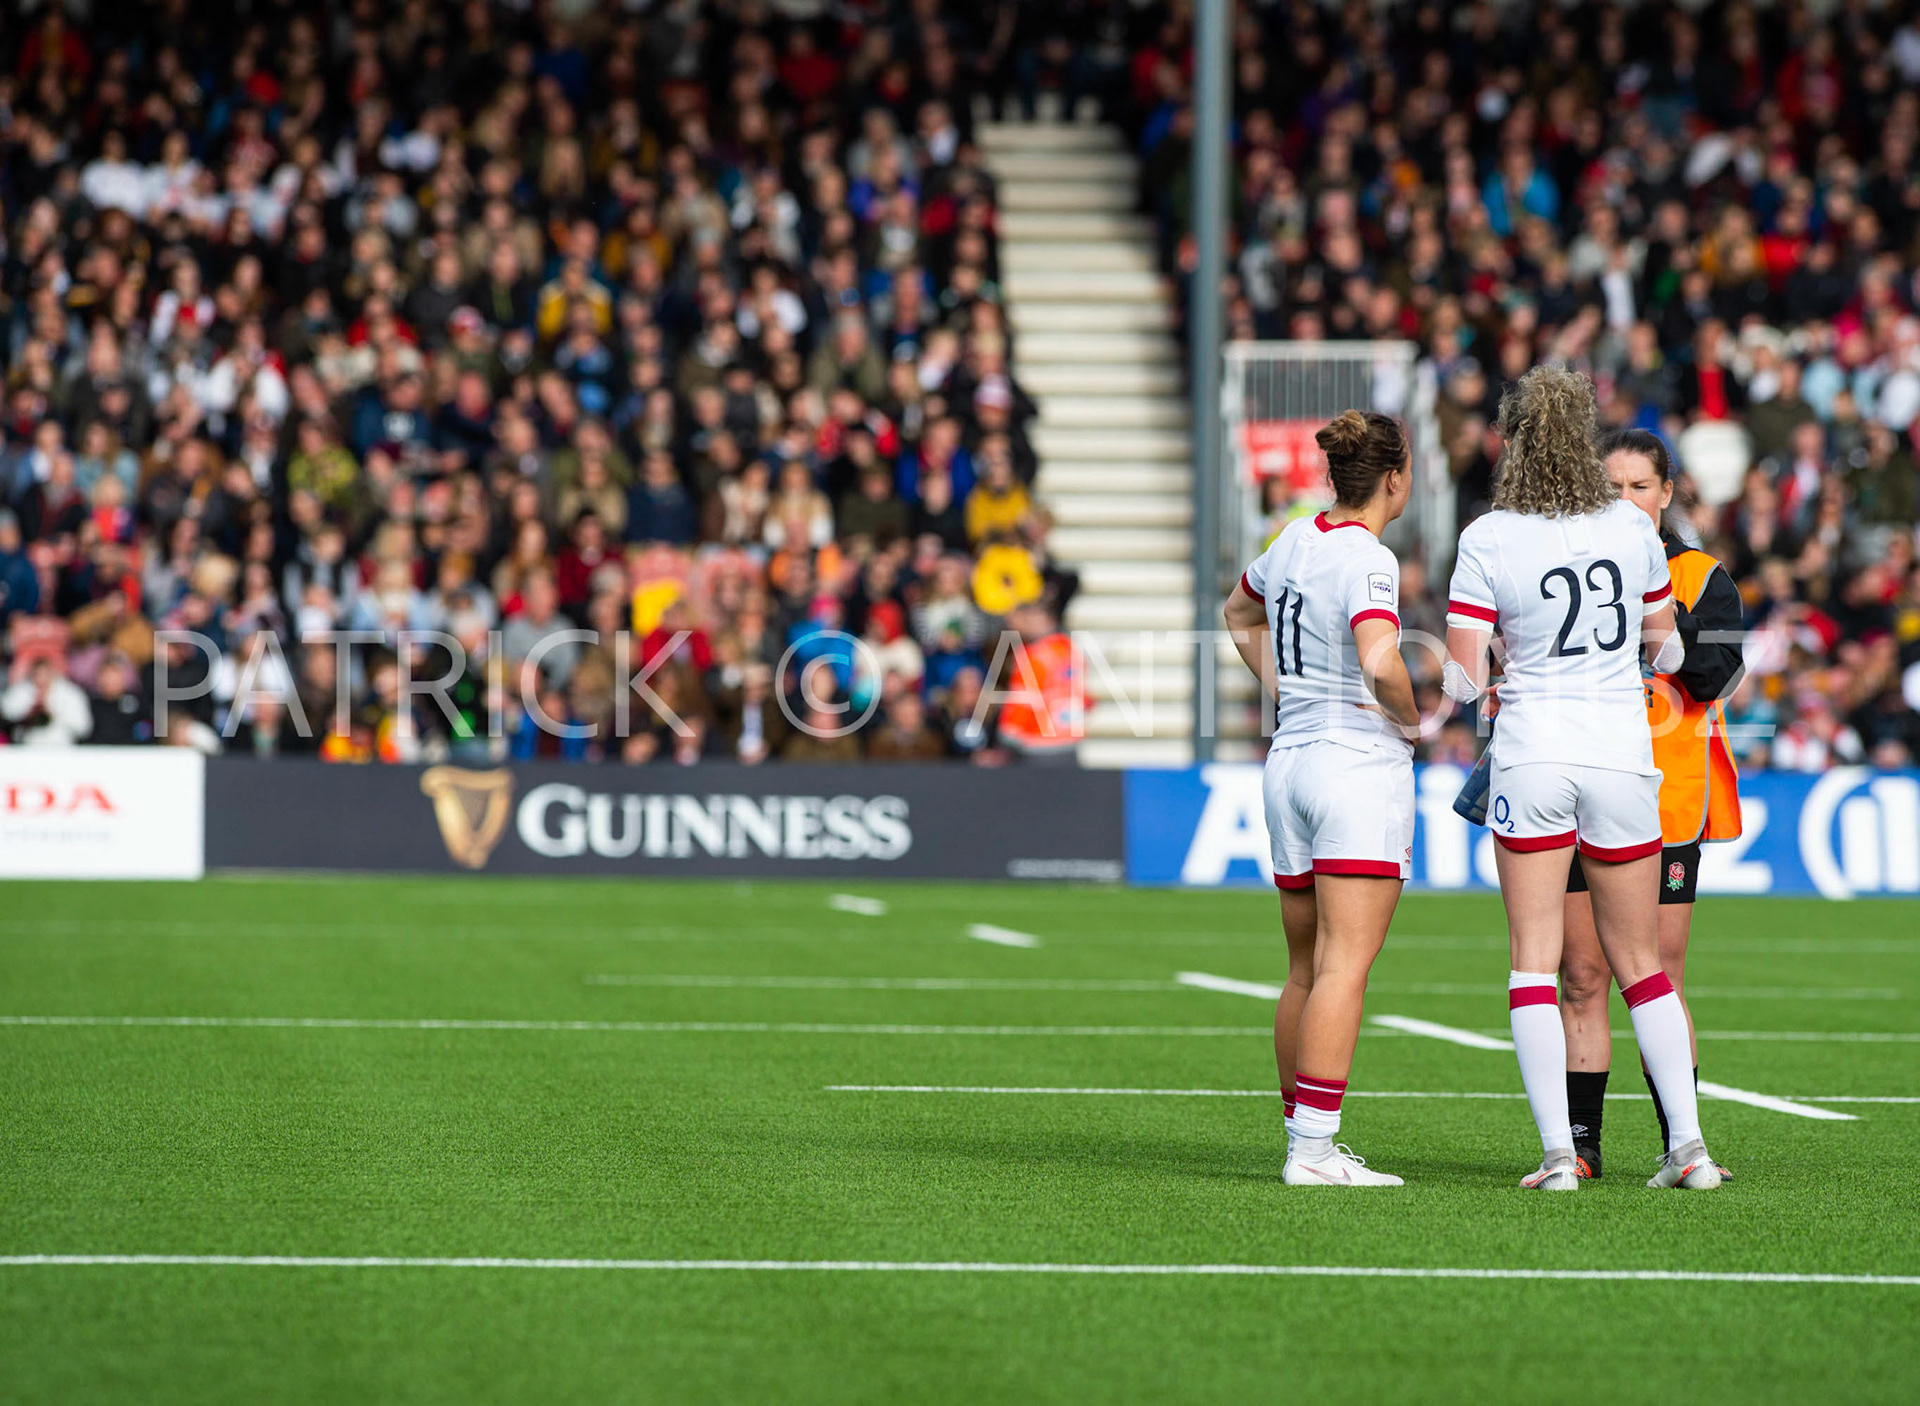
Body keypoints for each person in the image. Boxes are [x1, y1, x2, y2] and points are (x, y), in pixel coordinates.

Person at [1444, 366, 1721, 1192]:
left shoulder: (1488, 536)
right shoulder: (1631, 530)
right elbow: (1667, 650)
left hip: (1532, 751)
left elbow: (1460, 682)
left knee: (1535, 963)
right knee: (1642, 964)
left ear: (1512, 439)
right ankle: (1690, 1152)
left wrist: (1494, 662)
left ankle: (1561, 1155)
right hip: (1621, 753)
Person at [1221, 409, 1419, 1187]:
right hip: (1353, 763)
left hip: (1291, 759)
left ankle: (1301, 1135)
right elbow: (1380, 659)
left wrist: (1284, 692)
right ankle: (1312, 1151)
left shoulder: (1294, 537)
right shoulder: (1371, 559)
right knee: (1345, 967)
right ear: (1395, 478)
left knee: (1304, 967)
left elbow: (1238, 614)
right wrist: (1416, 720)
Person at [1560, 429, 1744, 1180]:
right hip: (1578, 787)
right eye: (1613, 487)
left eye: (1640, 487)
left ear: (1667, 494)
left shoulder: (1702, 576)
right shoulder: (1568, 565)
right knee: (1581, 971)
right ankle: (1580, 1143)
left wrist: (1654, 617)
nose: (1627, 500)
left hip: (1669, 800)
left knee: (1658, 972)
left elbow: (1715, 673)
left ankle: (1682, 1141)